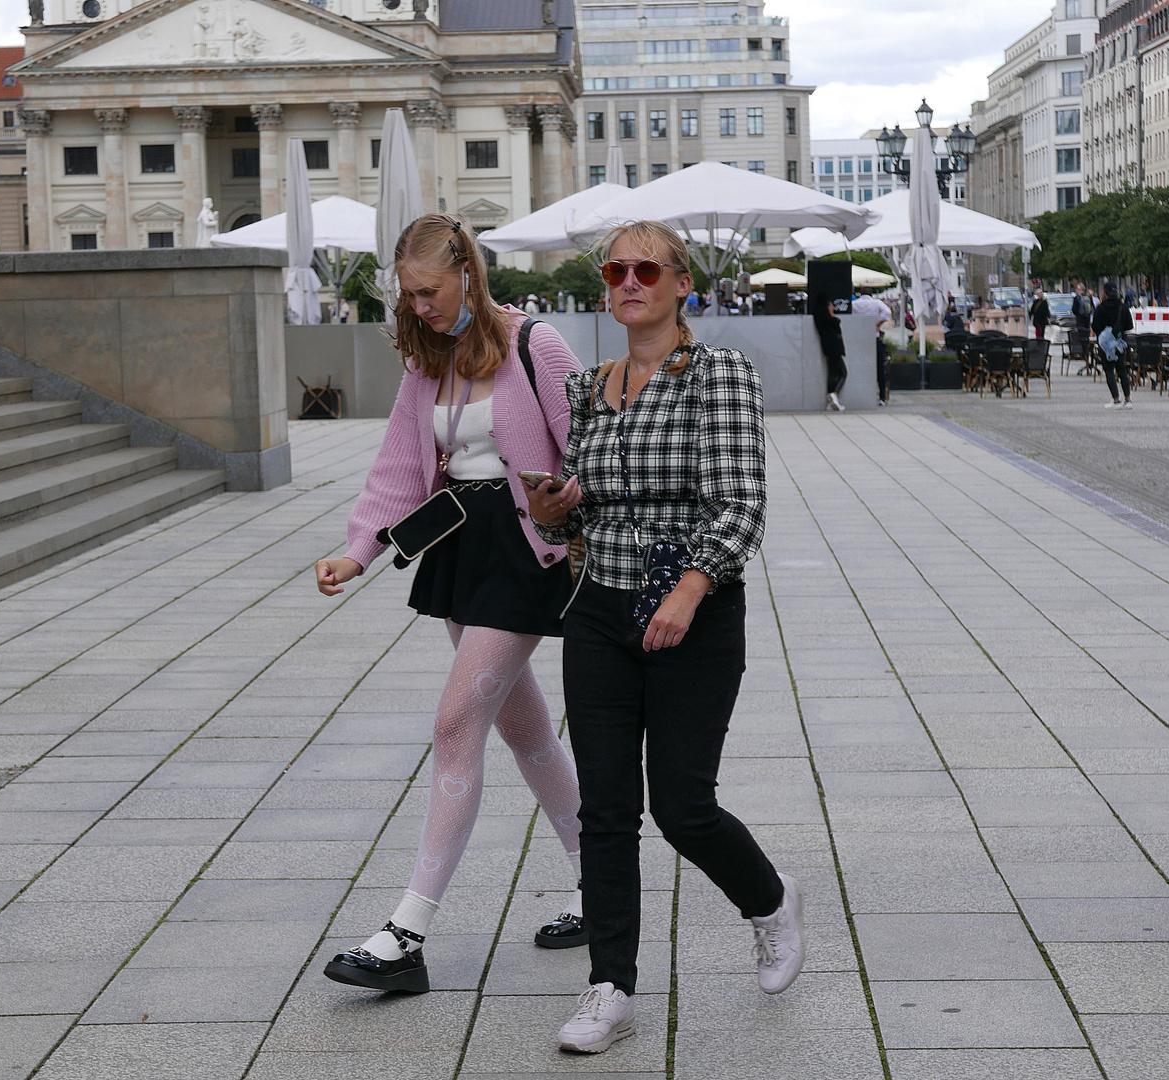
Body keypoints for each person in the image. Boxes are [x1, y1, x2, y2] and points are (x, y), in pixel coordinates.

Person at [525, 220, 803, 1054]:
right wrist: (552, 511)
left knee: (681, 806)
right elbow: (583, 501)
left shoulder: (717, 375)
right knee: (605, 809)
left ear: (683, 284)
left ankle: (768, 900)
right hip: (600, 608)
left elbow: (740, 504)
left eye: (647, 268)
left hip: (694, 610)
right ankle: (609, 987)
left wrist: (689, 589)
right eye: (615, 269)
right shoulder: (591, 385)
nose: (628, 281)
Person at [314, 214, 588, 994]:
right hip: (463, 550)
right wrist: (356, 551)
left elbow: (589, 448)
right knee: (522, 725)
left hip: (524, 551)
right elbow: (400, 468)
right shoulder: (427, 360)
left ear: (467, 273)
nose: (421, 305)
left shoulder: (535, 343)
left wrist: (567, 497)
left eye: (429, 290)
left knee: (454, 722)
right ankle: (600, 881)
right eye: (409, 293)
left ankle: (406, 932)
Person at [1092, 281, 1133, 409]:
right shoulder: (1123, 307)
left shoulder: (1101, 308)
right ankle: (1128, 399)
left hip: (1105, 344)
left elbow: (1095, 326)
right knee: (1122, 370)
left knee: (1109, 370)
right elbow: (1129, 326)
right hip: (1120, 342)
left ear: (1105, 293)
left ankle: (1116, 399)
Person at [853, 291, 894, 406]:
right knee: (880, 368)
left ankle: (860, 394)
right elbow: (887, 312)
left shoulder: (855, 304)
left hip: (860, 338)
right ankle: (881, 397)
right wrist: (878, 325)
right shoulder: (876, 303)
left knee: (860, 367)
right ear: (871, 294)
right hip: (873, 337)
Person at [813, 299, 848, 411]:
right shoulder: (830, 319)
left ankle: (831, 399)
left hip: (827, 348)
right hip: (835, 347)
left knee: (831, 372)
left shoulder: (819, 317)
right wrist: (832, 313)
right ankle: (834, 394)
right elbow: (836, 322)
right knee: (843, 372)